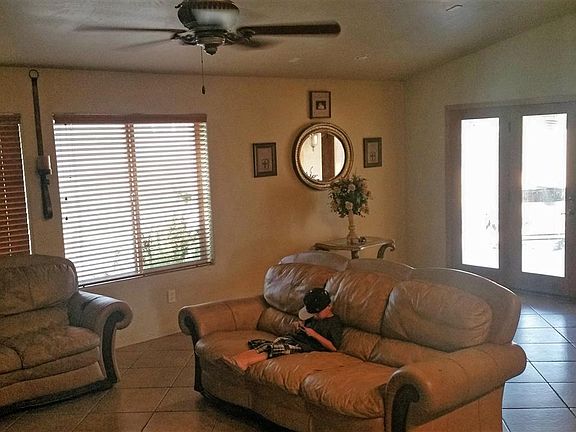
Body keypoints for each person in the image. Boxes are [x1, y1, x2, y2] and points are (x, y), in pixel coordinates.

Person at [223, 287, 343, 371]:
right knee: (264, 345)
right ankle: (235, 360)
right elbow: (305, 322)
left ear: (329, 306)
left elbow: (333, 347)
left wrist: (314, 335)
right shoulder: (313, 317)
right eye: (312, 314)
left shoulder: (334, 322)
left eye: (317, 313)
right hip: (294, 339)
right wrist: (299, 325)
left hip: (304, 347)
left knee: (273, 350)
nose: (314, 316)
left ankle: (243, 363)